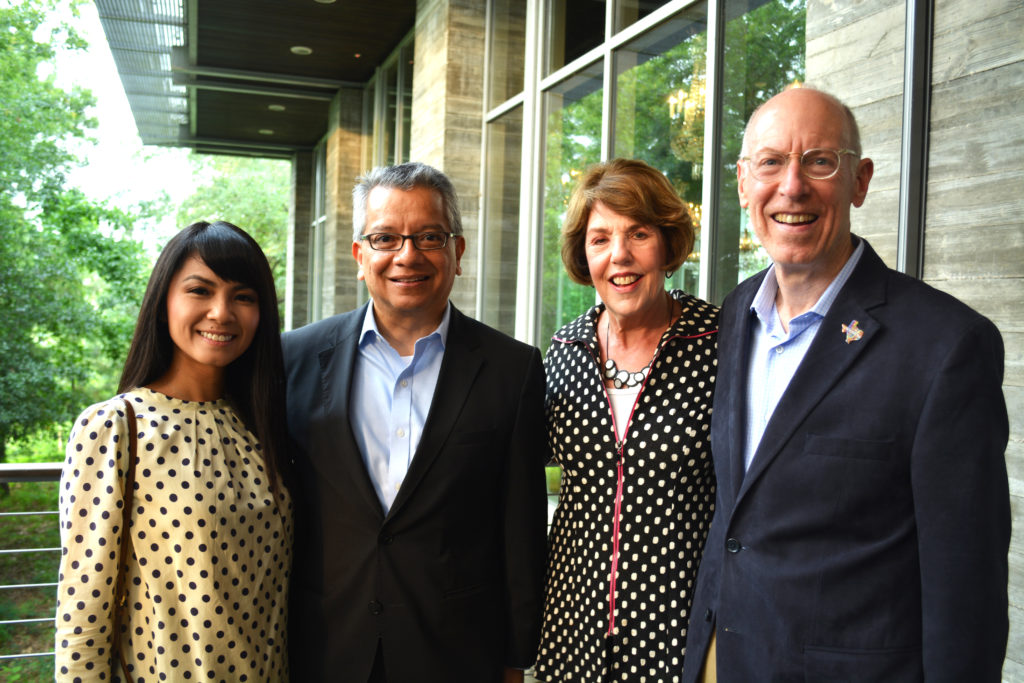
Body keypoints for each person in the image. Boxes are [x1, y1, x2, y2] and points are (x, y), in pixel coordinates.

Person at [682, 87, 1010, 682]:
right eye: (771, 162)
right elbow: (738, 518)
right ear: (741, 181)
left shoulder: (946, 346)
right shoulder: (734, 314)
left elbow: (967, 586)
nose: (792, 187)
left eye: (820, 161)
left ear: (859, 182)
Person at [283, 161, 548, 682]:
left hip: (456, 653)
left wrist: (517, 658)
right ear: (360, 257)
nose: (408, 255)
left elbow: (520, 529)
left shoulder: (512, 370)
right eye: (385, 238)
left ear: (458, 252)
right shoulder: (292, 358)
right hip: (323, 649)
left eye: (429, 236)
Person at [56, 221, 292, 681]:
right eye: (200, 290)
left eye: (244, 296)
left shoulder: (263, 424)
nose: (222, 312)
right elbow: (82, 613)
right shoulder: (115, 427)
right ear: (163, 300)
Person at [534, 158, 719, 682]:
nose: (620, 256)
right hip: (571, 627)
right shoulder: (565, 349)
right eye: (600, 239)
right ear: (582, 253)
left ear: (666, 243)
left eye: (638, 233)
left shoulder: (721, 343)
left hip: (682, 631)